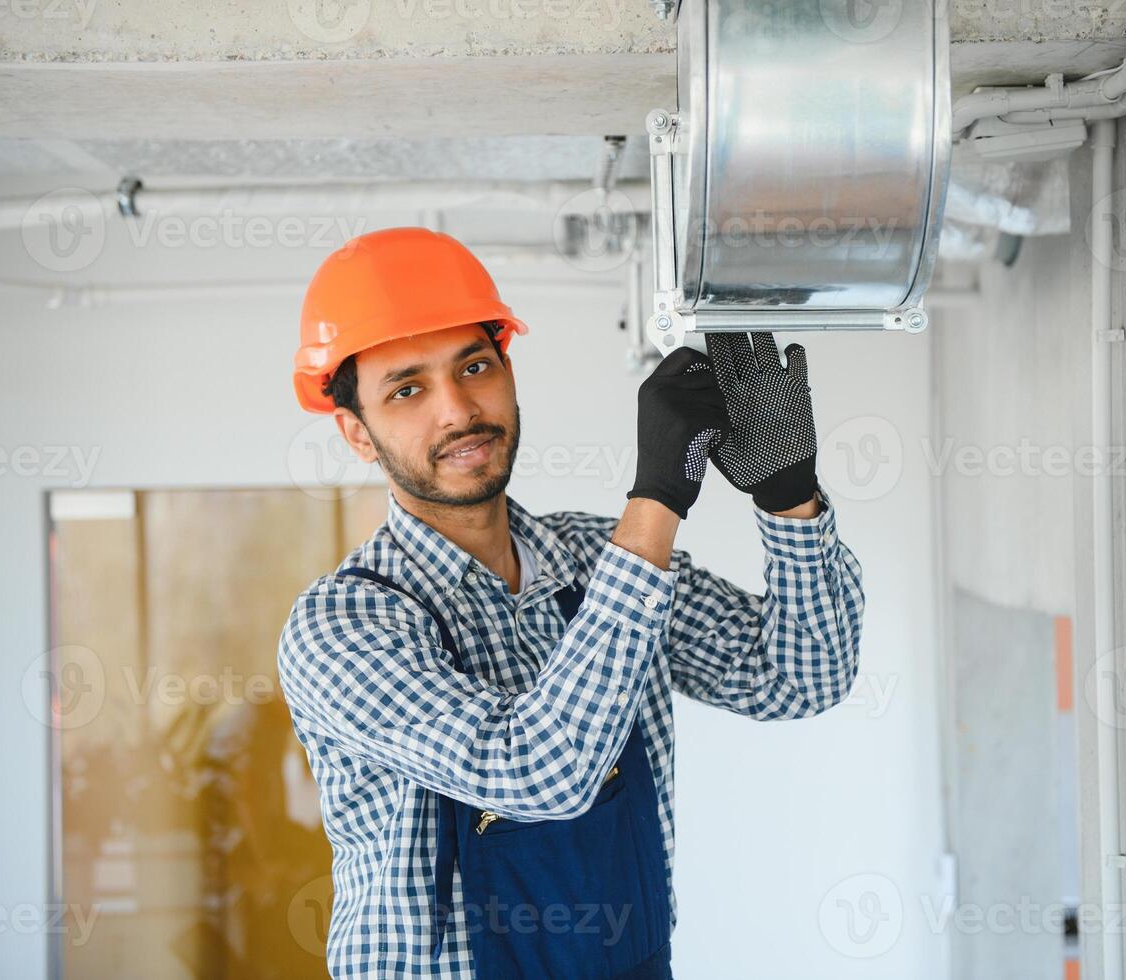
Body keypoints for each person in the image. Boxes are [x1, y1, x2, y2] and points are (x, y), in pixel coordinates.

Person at [277, 227, 865, 979]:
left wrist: (788, 499)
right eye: (407, 389)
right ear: (357, 434)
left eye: (474, 366)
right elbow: (539, 773)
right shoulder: (341, 628)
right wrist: (657, 498)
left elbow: (798, 680)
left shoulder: (599, 557)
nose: (457, 410)